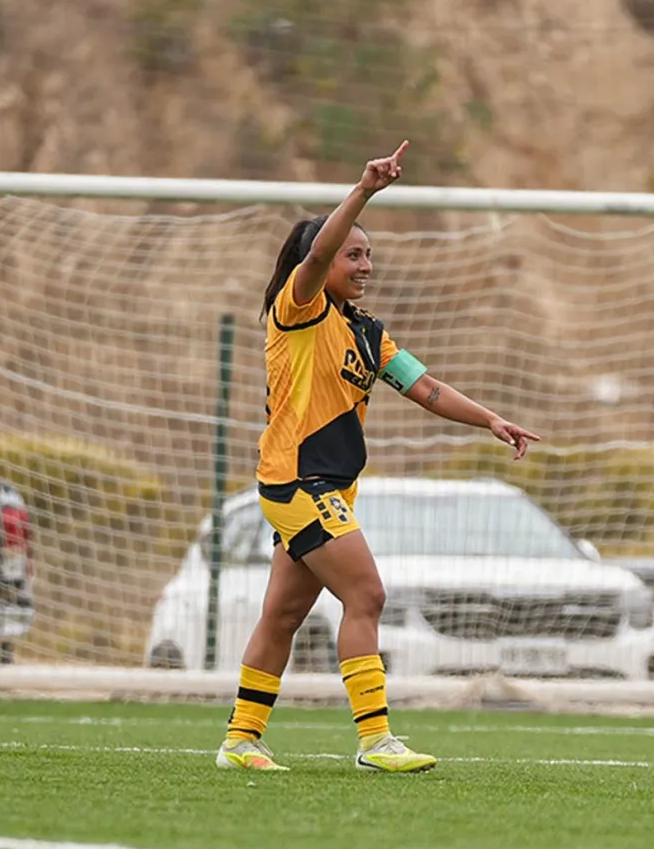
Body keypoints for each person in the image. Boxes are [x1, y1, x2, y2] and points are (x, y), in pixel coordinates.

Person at [216, 140, 540, 774]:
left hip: (330, 487)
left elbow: (427, 388)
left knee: (281, 614)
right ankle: (375, 741)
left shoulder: (368, 331)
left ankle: (240, 740)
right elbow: (313, 255)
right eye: (354, 254)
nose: (366, 265)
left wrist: (491, 420)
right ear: (326, 260)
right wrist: (363, 189)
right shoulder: (298, 309)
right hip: (296, 482)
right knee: (367, 595)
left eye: (369, 255)